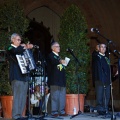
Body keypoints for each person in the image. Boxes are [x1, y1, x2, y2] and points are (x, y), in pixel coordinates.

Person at [7, 33, 33, 120]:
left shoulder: (20, 49)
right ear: (13, 40)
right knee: (17, 96)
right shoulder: (10, 48)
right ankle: (15, 116)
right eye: (18, 40)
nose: (19, 41)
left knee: (22, 96)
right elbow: (15, 51)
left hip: (24, 76)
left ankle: (20, 115)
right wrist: (25, 46)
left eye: (20, 40)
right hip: (16, 76)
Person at [47, 41, 67, 117]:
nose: (59, 48)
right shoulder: (51, 56)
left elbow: (60, 67)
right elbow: (53, 62)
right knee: (55, 96)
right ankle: (54, 111)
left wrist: (64, 63)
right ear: (52, 48)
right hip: (54, 79)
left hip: (61, 79)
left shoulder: (59, 57)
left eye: (59, 46)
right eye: (57, 46)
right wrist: (60, 61)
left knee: (62, 96)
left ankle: (61, 111)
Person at [92, 43, 111, 115]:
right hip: (99, 78)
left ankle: (105, 108)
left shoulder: (107, 58)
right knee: (100, 94)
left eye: (104, 47)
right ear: (99, 48)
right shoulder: (96, 56)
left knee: (107, 94)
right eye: (101, 47)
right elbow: (93, 55)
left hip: (107, 79)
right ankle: (100, 109)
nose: (103, 48)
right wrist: (96, 50)